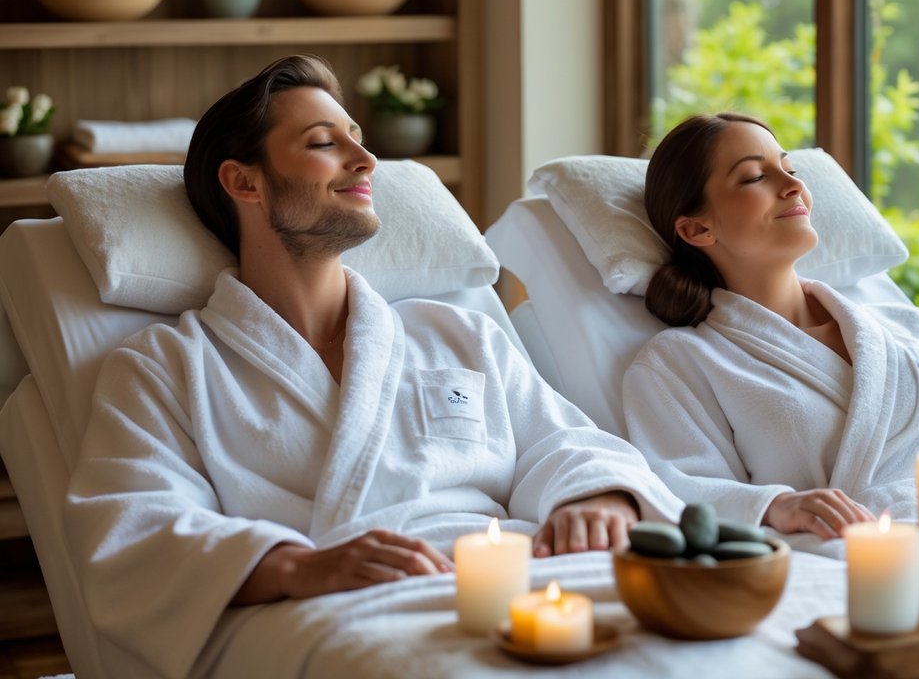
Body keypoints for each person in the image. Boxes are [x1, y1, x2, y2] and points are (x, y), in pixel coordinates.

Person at [64, 55, 681, 679]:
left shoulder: (457, 334)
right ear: (244, 182)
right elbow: (135, 529)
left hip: (534, 584)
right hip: (352, 610)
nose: (366, 162)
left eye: (359, 141)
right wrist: (296, 566)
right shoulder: (167, 368)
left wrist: (598, 498)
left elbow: (568, 442)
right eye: (325, 144)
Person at [621, 112, 919, 544]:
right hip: (854, 566)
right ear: (697, 228)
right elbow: (678, 490)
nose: (793, 184)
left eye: (790, 168)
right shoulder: (679, 362)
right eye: (755, 177)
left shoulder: (909, 327)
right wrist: (777, 507)